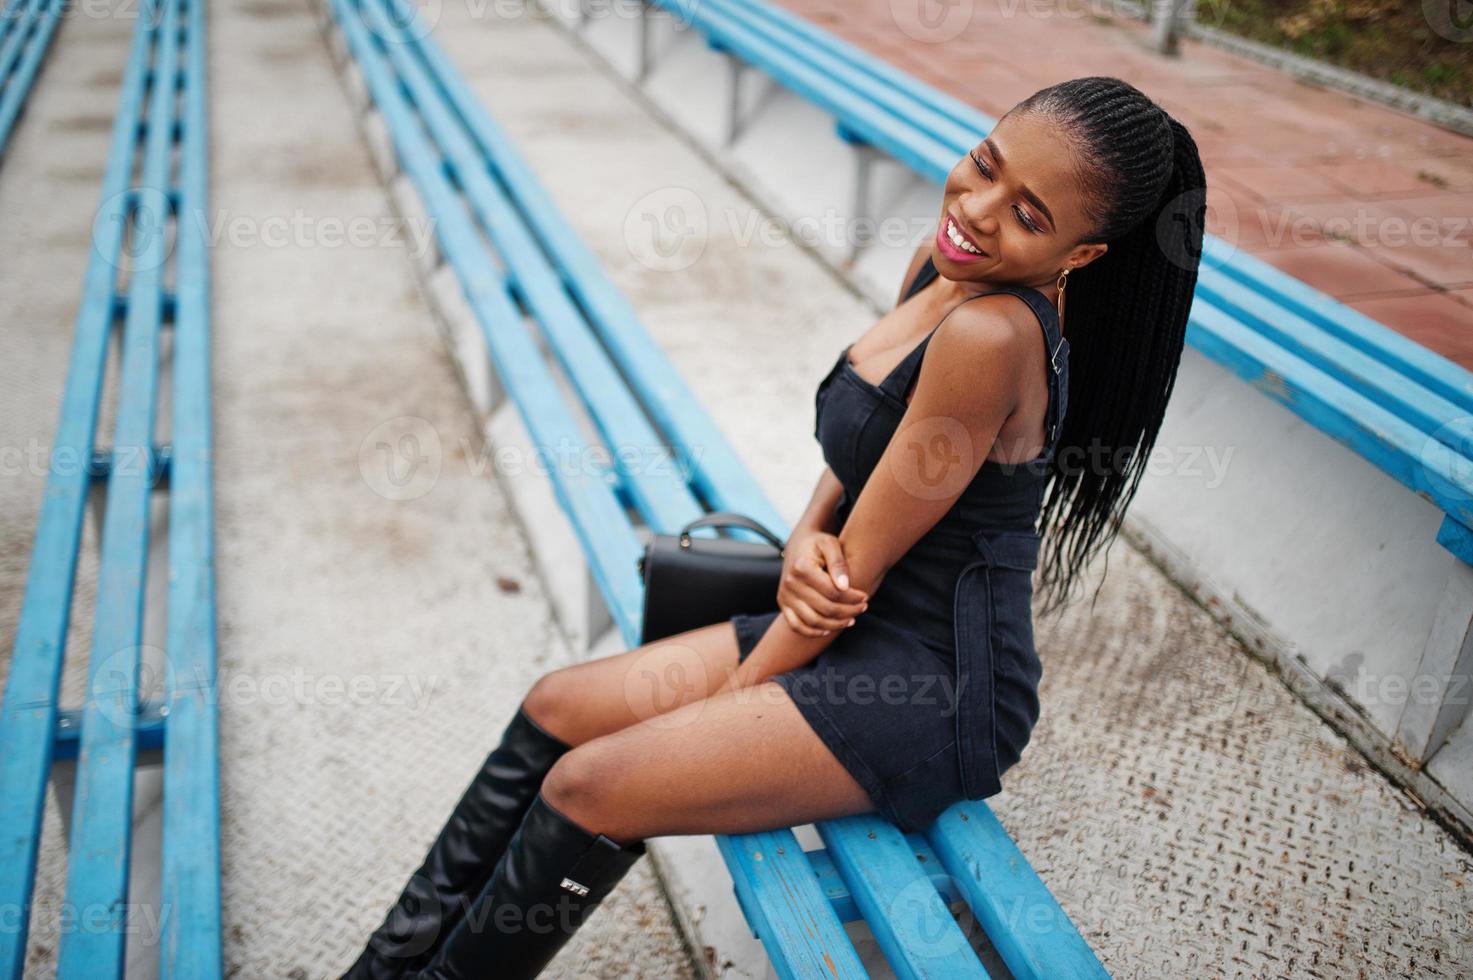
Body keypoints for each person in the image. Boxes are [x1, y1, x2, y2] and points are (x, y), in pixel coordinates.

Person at [343, 73, 1207, 979]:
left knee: (588, 785)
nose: (978, 210)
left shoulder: (991, 338)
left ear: (1082, 253)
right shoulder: (942, 265)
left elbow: (846, 590)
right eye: (984, 164)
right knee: (555, 707)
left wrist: (727, 709)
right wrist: (803, 535)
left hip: (929, 683)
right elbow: (866, 447)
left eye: (1028, 215)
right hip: (850, 621)